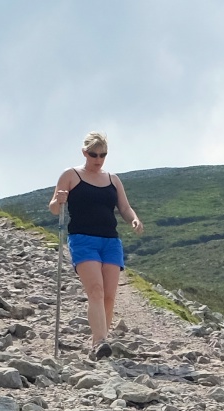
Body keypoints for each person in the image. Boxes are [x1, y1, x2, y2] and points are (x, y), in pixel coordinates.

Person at [48, 132, 142, 358]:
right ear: (84, 152)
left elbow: (124, 208)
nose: (98, 159)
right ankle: (100, 341)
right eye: (93, 154)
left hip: (110, 241)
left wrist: (134, 219)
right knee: (96, 291)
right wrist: (58, 200)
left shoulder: (113, 179)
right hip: (82, 239)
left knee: (109, 295)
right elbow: (54, 208)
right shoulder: (70, 175)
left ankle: (100, 341)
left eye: (103, 155)